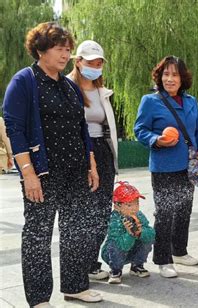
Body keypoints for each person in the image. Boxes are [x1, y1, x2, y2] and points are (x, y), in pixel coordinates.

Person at [2, 22, 102, 306]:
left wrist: (91, 163)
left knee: (76, 228)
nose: (65, 55)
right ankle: (38, 298)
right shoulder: (25, 81)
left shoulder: (69, 85)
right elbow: (14, 128)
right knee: (38, 233)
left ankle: (75, 285)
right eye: (60, 49)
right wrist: (28, 174)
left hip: (75, 170)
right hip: (43, 171)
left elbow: (81, 127)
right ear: (41, 50)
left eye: (68, 50)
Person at [134, 55, 198, 278]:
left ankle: (180, 251)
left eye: (175, 74)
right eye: (166, 74)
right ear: (159, 77)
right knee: (165, 212)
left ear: (182, 78)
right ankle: (163, 258)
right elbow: (140, 129)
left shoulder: (191, 101)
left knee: (185, 208)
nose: (170, 78)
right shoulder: (151, 101)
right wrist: (157, 139)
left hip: (189, 165)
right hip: (164, 165)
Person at [68, 40, 118, 281]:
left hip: (102, 151)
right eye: (90, 62)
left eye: (99, 63)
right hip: (79, 152)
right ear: (78, 62)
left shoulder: (103, 92)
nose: (95, 67)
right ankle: (78, 265)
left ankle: (91, 262)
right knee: (83, 210)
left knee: (101, 211)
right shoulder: (66, 87)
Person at [101, 181, 155, 284]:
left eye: (137, 203)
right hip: (113, 254)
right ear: (117, 206)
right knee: (114, 244)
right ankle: (115, 270)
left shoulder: (139, 215)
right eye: (129, 205)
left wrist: (140, 233)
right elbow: (121, 245)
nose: (135, 208)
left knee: (148, 237)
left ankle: (137, 265)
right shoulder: (114, 219)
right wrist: (130, 234)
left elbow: (151, 234)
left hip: (131, 250)